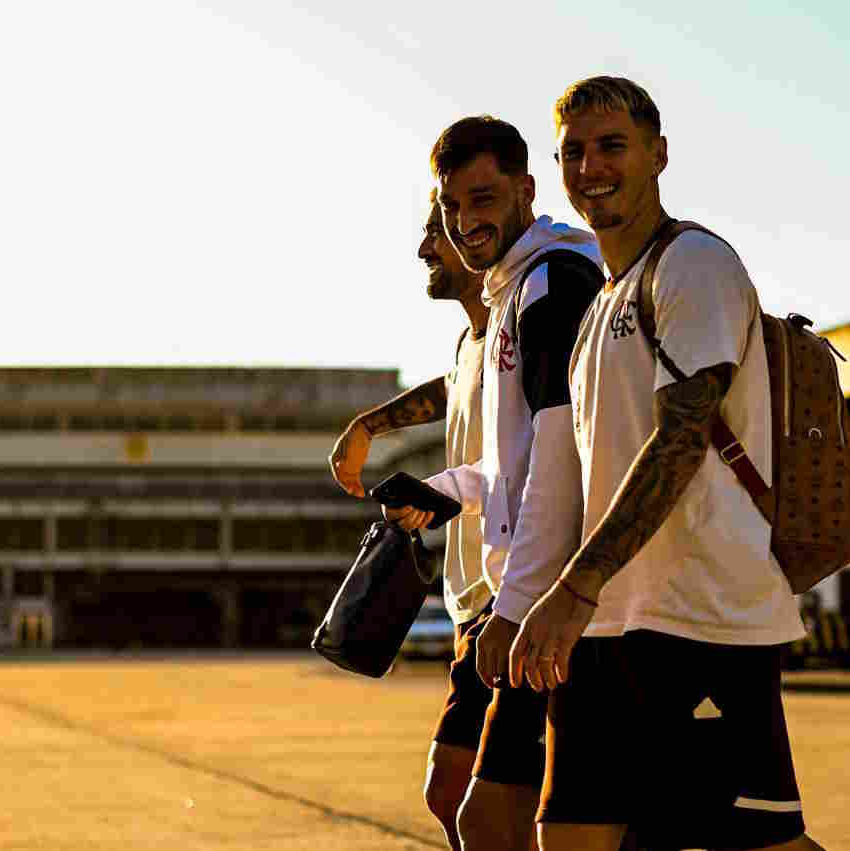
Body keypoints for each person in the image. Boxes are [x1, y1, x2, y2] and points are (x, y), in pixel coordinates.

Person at [507, 76, 824, 851]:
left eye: (612, 145)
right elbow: (577, 480)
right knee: (573, 839)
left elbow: (679, 441)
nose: (591, 167)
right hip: (607, 625)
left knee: (757, 846)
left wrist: (575, 585)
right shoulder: (600, 307)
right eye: (573, 152)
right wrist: (533, 599)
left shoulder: (694, 266)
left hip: (702, 618)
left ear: (659, 154)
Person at [389, 115, 604, 851]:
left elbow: (560, 456)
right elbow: (511, 465)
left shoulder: (552, 282)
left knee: (503, 818)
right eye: (454, 207)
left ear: (525, 189)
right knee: (494, 814)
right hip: (526, 596)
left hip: (549, 599)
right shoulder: (514, 291)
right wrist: (441, 492)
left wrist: (513, 607)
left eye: (482, 199)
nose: (464, 222)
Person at [328, 192, 491, 850]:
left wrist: (439, 490)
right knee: (456, 796)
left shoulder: (530, 324)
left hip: (519, 599)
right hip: (474, 605)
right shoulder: (472, 342)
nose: (427, 247)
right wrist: (369, 423)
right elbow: (455, 385)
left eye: (436, 231)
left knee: (478, 801)